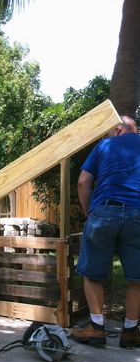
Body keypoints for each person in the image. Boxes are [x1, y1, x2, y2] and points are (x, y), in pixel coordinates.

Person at [71, 115, 140, 348]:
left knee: (92, 272)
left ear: (118, 130)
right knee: (137, 277)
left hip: (105, 210)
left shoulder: (105, 145)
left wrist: (90, 213)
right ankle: (131, 331)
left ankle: (97, 328)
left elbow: (83, 183)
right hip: (137, 214)